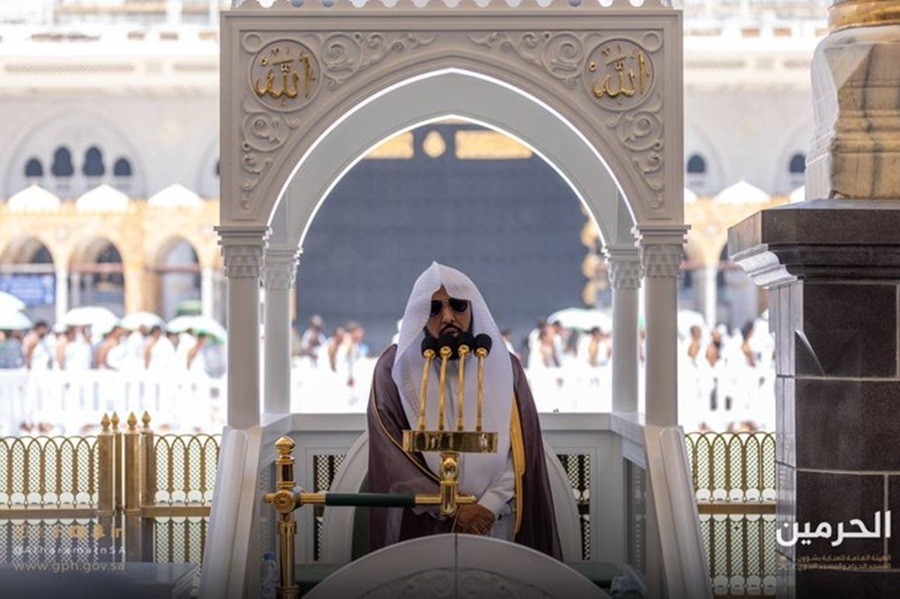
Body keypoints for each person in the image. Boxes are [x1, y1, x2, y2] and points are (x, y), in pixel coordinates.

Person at [367, 262, 561, 559]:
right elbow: (392, 456)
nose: (447, 317)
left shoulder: (505, 367)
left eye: (457, 305)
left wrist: (489, 506)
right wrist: (453, 508)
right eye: (434, 309)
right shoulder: (394, 370)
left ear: (472, 308)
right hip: (426, 526)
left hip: (495, 521)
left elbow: (522, 451)